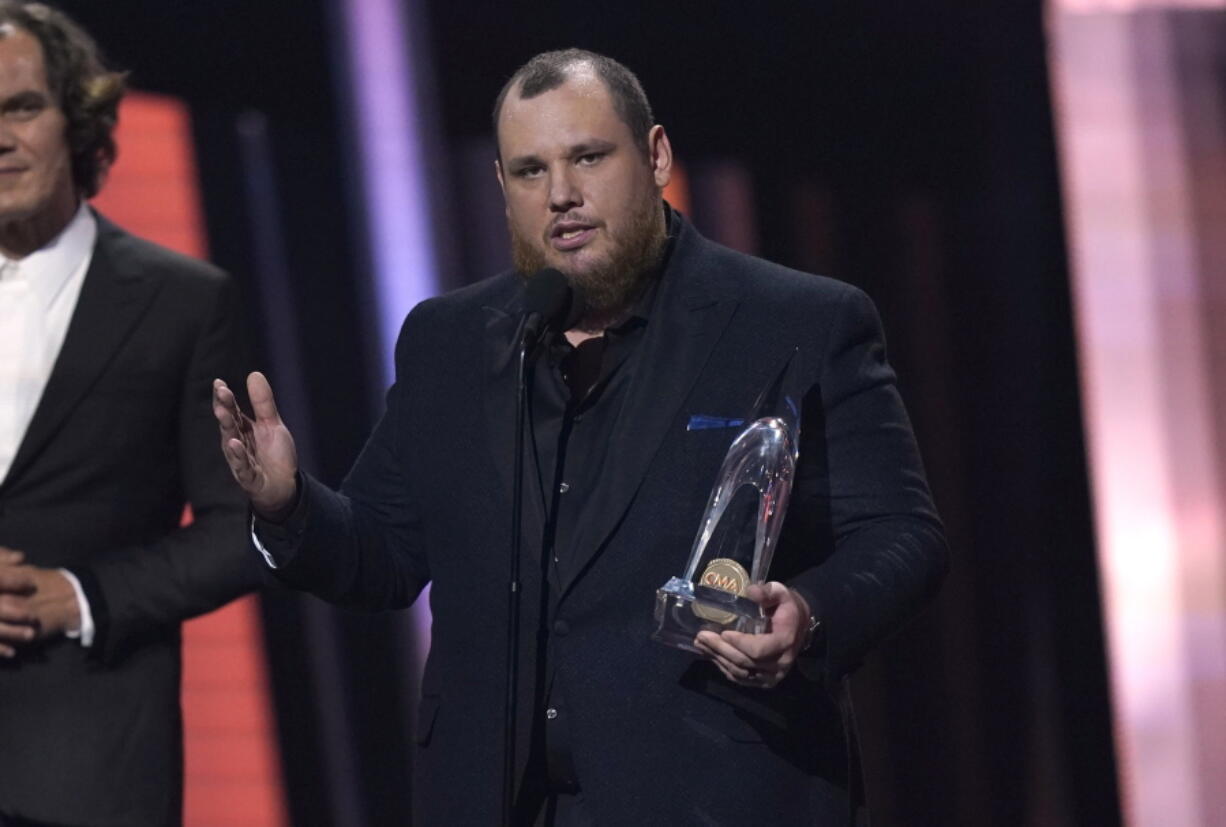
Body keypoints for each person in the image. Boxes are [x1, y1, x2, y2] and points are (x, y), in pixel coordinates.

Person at [215, 49, 947, 825]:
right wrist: (289, 505)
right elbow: (384, 555)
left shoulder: (796, 321)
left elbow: (903, 534)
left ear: (656, 155)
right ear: (501, 188)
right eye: (529, 171)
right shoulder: (452, 341)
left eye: (588, 158)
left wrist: (808, 610)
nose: (561, 195)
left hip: (713, 796)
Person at [0, 4, 258, 825]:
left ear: (78, 117)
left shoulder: (184, 302)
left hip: (89, 769)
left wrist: (79, 595)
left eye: (22, 107)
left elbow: (240, 529)